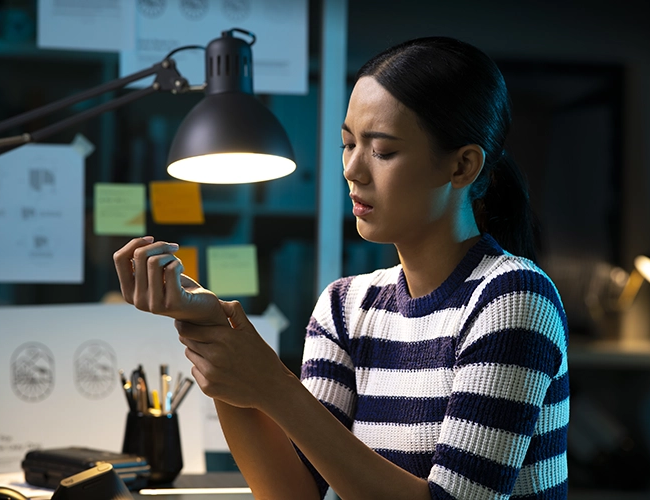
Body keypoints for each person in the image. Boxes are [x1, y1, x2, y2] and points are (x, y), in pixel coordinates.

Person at [112, 37, 568, 500]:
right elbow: (295, 494)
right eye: (348, 144)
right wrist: (213, 336)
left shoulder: (513, 299)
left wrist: (274, 386)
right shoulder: (346, 305)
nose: (352, 169)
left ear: (462, 166)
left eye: (383, 151)